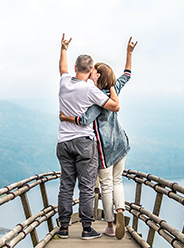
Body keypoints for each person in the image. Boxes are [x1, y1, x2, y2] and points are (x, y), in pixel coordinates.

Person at [59, 37, 138, 240]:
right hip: (114, 143)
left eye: (95, 72)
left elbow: (85, 118)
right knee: (110, 182)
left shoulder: (79, 88)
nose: (92, 73)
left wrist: (65, 117)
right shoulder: (104, 90)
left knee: (94, 185)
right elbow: (126, 77)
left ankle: (100, 225)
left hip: (86, 145)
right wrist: (129, 53)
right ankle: (107, 218)